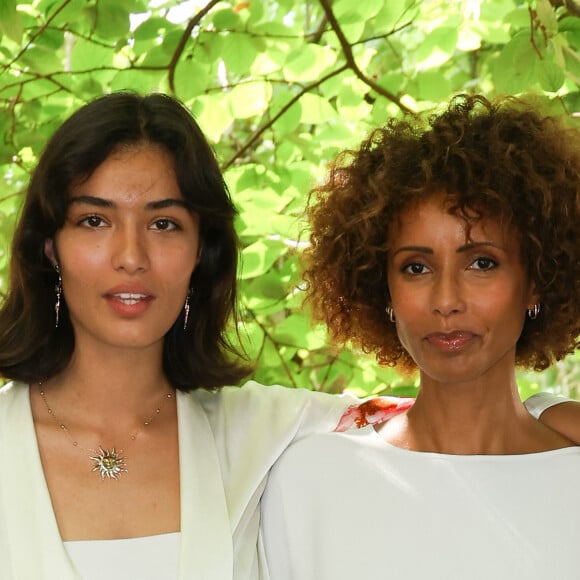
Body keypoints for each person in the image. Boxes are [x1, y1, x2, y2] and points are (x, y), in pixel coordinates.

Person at [0, 92, 577, 580]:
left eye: (164, 223)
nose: (131, 256)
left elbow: (448, 412)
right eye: (94, 220)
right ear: (49, 246)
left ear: (202, 253)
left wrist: (549, 411)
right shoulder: (292, 457)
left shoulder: (262, 432)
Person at [261, 94, 580, 579]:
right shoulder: (313, 481)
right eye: (416, 267)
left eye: (482, 263)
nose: (446, 299)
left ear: (536, 279)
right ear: (381, 288)